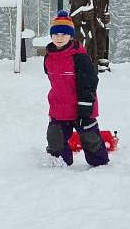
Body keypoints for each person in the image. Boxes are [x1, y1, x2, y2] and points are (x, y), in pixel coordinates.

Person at [43, 10, 106, 166]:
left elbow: (89, 83)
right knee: (55, 138)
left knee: (89, 138)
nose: (59, 38)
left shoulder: (79, 57)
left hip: (82, 107)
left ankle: (99, 163)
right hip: (60, 108)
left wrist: (85, 108)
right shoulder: (49, 57)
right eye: (56, 34)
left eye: (64, 34)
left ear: (71, 36)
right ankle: (60, 162)